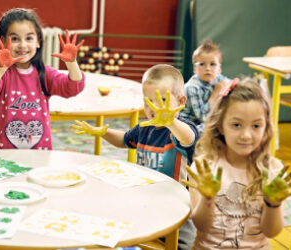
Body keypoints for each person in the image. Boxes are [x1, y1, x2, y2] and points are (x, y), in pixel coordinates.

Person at [72, 64, 198, 249]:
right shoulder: (144, 128)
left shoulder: (181, 130)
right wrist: (103, 133)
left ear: (180, 101)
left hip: (176, 206)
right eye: (148, 102)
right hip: (145, 199)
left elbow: (188, 138)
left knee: (185, 246)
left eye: (162, 100)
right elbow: (124, 140)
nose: (154, 108)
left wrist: (171, 122)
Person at [182, 78, 291, 249]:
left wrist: (273, 204)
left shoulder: (273, 169)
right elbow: (201, 226)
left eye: (256, 126)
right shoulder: (205, 168)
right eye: (237, 125)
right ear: (220, 126)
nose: (246, 135)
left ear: (266, 128)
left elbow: (271, 232)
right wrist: (207, 199)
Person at [0, 8, 85, 150]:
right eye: (14, 38)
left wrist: (71, 63)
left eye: (29, 38)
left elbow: (72, 88)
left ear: (38, 41)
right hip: (6, 153)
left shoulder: (45, 74)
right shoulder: (3, 74)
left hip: (40, 152)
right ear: (3, 41)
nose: (22, 45)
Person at [180, 40, 232, 132]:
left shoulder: (218, 78)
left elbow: (231, 83)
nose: (208, 68)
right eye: (202, 64)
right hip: (189, 125)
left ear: (219, 69)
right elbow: (203, 117)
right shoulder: (192, 87)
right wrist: (216, 93)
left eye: (212, 64)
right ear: (195, 69)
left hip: (205, 121)